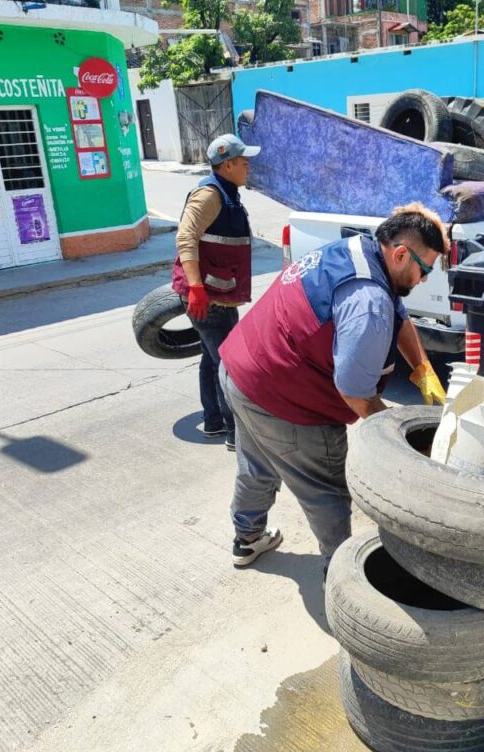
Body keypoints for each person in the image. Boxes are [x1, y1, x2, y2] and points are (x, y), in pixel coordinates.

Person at [218, 203, 449, 568]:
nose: (423, 280)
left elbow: (400, 313)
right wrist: (396, 436)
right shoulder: (368, 301)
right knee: (325, 489)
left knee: (257, 463)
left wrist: (422, 367)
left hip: (241, 372)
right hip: (286, 398)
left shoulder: (360, 251)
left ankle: (247, 538)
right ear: (401, 253)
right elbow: (355, 391)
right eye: (424, 270)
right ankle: (340, 572)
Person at [172, 133, 260, 451]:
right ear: (227, 165)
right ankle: (236, 434)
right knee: (228, 364)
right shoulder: (210, 195)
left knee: (211, 360)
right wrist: (195, 288)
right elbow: (185, 237)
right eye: (244, 161)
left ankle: (213, 422)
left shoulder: (229, 193)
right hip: (208, 298)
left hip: (219, 294)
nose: (248, 166)